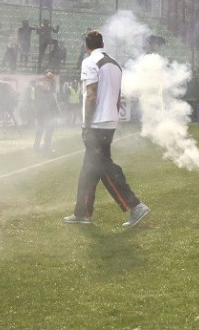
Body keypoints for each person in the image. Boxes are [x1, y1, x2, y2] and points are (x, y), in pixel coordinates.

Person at [64, 30, 150, 227]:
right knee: (89, 169)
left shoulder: (89, 62)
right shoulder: (115, 64)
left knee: (103, 166)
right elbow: (118, 97)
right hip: (109, 120)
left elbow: (91, 93)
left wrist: (86, 123)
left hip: (96, 123)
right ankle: (82, 212)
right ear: (102, 43)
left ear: (87, 46)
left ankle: (135, 205)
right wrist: (113, 116)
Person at [32, 71, 59, 155]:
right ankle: (46, 147)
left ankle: (36, 146)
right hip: (47, 111)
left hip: (40, 110)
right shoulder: (47, 86)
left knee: (40, 128)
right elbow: (51, 97)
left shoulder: (39, 85)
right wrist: (56, 111)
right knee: (49, 129)